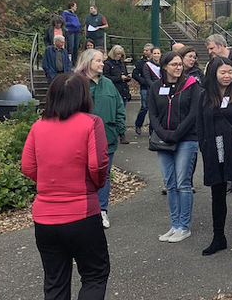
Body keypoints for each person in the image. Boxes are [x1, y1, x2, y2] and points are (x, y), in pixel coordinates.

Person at [21, 73, 110, 300]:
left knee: (55, 281)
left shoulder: (38, 126)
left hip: (45, 217)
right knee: (94, 274)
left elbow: (28, 166)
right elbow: (98, 165)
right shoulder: (91, 123)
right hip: (82, 211)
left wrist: (50, 183)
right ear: (83, 96)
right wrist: (95, 186)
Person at [197, 56, 232, 256]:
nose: (227, 76)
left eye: (230, 72)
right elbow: (200, 122)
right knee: (217, 194)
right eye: (223, 72)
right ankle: (218, 237)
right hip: (214, 149)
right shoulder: (204, 96)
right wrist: (203, 145)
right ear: (213, 73)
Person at [149, 52, 201, 243]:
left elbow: (194, 112)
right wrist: (164, 134)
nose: (178, 67)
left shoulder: (192, 85)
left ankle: (184, 226)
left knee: (183, 183)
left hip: (186, 139)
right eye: (174, 64)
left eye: (180, 64)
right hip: (163, 140)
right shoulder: (156, 87)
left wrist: (176, 134)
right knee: (170, 184)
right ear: (164, 67)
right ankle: (175, 224)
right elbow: (153, 114)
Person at [75, 49, 126, 230]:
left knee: (103, 176)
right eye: (98, 61)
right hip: (82, 140)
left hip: (108, 138)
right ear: (88, 62)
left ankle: (102, 210)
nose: (102, 63)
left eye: (102, 60)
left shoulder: (109, 84)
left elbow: (120, 106)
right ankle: (84, 211)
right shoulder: (76, 83)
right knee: (83, 175)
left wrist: (120, 128)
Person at [132, 43, 154, 135]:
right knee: (145, 107)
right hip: (145, 87)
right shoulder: (140, 62)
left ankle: (153, 129)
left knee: (154, 108)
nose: (145, 52)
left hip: (154, 87)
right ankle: (138, 124)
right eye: (144, 50)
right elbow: (135, 74)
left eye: (147, 50)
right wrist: (143, 81)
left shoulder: (156, 62)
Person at [62, 2, 81, 66]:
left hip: (77, 32)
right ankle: (69, 62)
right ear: (72, 7)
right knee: (71, 47)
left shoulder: (75, 14)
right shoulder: (66, 13)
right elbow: (63, 22)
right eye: (75, 6)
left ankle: (74, 61)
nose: (76, 7)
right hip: (70, 32)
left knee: (76, 47)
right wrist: (71, 23)